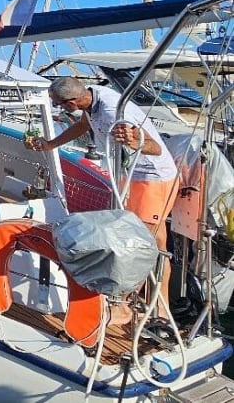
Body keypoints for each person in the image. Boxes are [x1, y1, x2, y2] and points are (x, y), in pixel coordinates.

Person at [32, 76, 179, 324]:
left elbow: (155, 148)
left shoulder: (112, 111)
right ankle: (151, 306)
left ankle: (128, 306)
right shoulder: (92, 98)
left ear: (71, 102)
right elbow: (83, 126)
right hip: (130, 176)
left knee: (136, 245)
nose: (58, 108)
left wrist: (134, 140)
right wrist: (51, 145)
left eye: (58, 104)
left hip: (151, 179)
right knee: (150, 244)